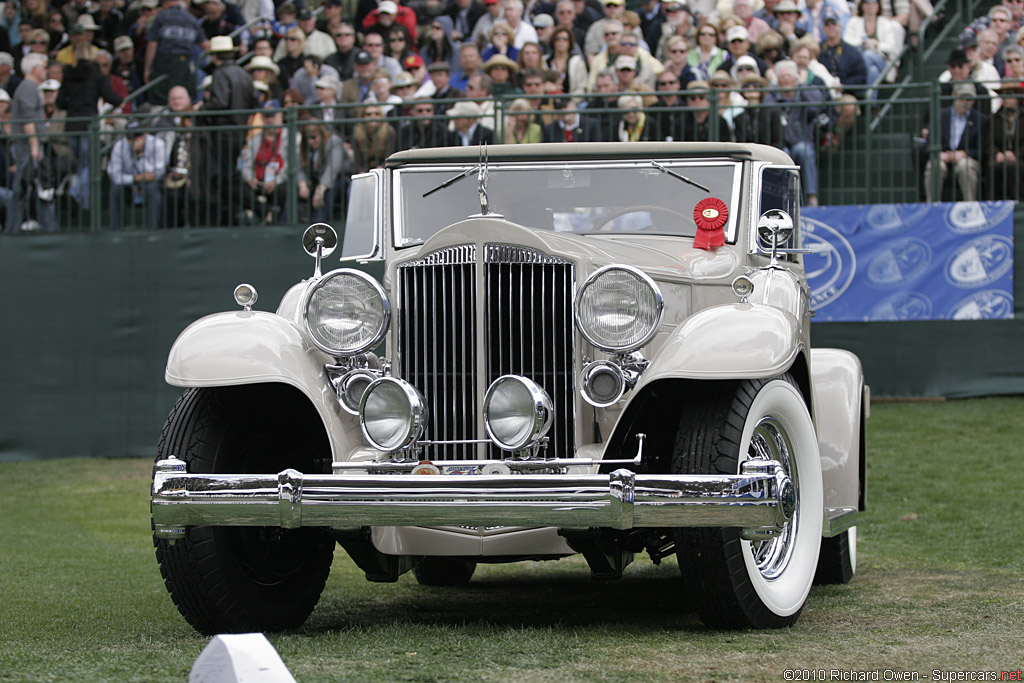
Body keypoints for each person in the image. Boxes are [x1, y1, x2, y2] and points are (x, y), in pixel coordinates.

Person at [57, 41, 122, 214]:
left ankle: (85, 205)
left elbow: (60, 102)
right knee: (90, 164)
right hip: (89, 125)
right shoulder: (97, 76)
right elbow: (110, 97)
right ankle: (76, 192)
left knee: (82, 165)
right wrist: (121, 99)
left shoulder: (68, 74)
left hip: (71, 125)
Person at [200, 34, 258, 226]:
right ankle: (240, 212)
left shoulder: (220, 74)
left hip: (224, 130)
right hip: (240, 129)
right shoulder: (244, 73)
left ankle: (258, 207)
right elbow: (254, 101)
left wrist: (201, 109)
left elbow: (220, 101)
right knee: (230, 175)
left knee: (225, 178)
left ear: (215, 56)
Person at [5, 52, 54, 233]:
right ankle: (13, 228)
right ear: (34, 69)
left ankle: (48, 226)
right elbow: (28, 119)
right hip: (26, 146)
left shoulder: (30, 87)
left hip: (28, 145)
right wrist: (34, 146)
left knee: (35, 188)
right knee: (23, 188)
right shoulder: (28, 87)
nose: (46, 71)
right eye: (43, 67)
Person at [774, 59, 826, 205]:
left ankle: (811, 197)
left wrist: (802, 85)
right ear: (777, 80)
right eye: (782, 76)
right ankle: (784, 200)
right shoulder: (772, 95)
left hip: (802, 140)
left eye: (789, 76)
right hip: (781, 142)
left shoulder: (804, 92)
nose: (786, 80)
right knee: (781, 155)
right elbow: (766, 109)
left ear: (796, 78)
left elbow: (817, 104)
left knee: (804, 151)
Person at [925, 82, 987, 202]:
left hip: (967, 158)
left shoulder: (980, 120)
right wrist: (939, 154)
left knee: (965, 166)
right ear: (954, 95)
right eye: (962, 98)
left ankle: (970, 206)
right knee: (935, 165)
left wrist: (963, 154)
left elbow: (981, 148)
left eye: (970, 99)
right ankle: (931, 205)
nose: (966, 102)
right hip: (943, 156)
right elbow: (929, 143)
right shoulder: (940, 116)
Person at [144, 0, 208, 105]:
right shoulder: (191, 19)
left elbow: (152, 43)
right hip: (184, 62)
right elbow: (205, 44)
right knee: (182, 95)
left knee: (161, 99)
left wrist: (147, 68)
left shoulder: (161, 17)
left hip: (164, 62)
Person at [238, 102, 292, 225]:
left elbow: (289, 165)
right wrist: (250, 179)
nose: (269, 120)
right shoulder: (255, 139)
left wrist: (275, 181)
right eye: (266, 117)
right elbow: (246, 165)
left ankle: (275, 220)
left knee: (285, 190)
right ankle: (265, 212)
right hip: (258, 183)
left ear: (280, 116)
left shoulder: (289, 136)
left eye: (272, 116)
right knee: (240, 189)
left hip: (278, 183)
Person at [108, 121, 167, 230]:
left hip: (150, 184)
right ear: (126, 137)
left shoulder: (157, 144)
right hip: (129, 185)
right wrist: (135, 179)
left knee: (152, 188)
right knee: (116, 189)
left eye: (138, 136)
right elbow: (115, 176)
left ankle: (153, 230)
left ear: (145, 134)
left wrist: (140, 155)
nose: (135, 140)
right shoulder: (119, 146)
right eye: (131, 137)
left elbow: (157, 173)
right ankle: (116, 230)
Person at [297, 118, 348, 223]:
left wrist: (321, 189)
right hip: (316, 180)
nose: (310, 141)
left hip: (340, 179)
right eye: (307, 138)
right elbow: (299, 167)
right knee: (295, 190)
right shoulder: (306, 147)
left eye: (313, 137)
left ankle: (318, 224)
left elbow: (333, 168)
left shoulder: (334, 142)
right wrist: (302, 184)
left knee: (328, 192)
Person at [843, 0, 900, 86]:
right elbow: (846, 41)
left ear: (878, 5)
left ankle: (859, 77)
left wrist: (876, 44)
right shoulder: (854, 21)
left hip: (882, 60)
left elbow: (891, 47)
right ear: (861, 5)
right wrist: (863, 43)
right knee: (873, 71)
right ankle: (870, 98)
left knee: (868, 55)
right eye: (867, 2)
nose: (870, 5)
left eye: (874, 2)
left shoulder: (885, 22)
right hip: (859, 60)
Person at [987, 82, 1023, 199]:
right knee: (993, 167)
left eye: (1010, 95)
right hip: (1000, 158)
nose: (1007, 98)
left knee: (1012, 167)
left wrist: (1016, 154)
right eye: (1004, 95)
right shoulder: (995, 118)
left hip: (1021, 158)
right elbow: (989, 141)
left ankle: (1018, 201)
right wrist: (997, 154)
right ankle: (992, 203)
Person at [732, 72, 784, 147]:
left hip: (771, 153)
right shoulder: (739, 118)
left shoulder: (772, 113)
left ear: (761, 90)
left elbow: (778, 139)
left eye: (755, 85)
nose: (751, 88)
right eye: (747, 86)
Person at [351, 102, 395, 172]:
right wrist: (361, 172)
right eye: (368, 114)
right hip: (365, 171)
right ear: (363, 117)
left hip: (384, 170)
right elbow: (357, 159)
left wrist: (381, 168)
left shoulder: (389, 131)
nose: (373, 116)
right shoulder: (357, 134)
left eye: (377, 114)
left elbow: (390, 155)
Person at [545, 26, 588, 96]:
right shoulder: (545, 61)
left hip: (573, 102)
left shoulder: (577, 62)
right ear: (553, 41)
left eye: (565, 39)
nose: (561, 41)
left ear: (570, 42)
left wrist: (570, 102)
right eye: (557, 39)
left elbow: (582, 87)